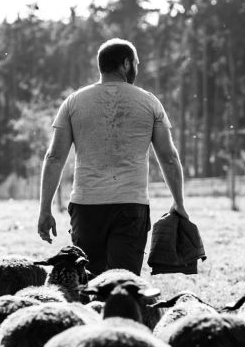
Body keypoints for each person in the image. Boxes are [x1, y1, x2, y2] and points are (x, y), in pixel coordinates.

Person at [37, 38, 188, 275]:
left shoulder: (73, 102)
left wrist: (45, 208)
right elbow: (169, 158)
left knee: (89, 283)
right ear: (126, 64)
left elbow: (54, 157)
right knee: (124, 285)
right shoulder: (149, 102)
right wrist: (179, 203)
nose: (137, 68)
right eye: (136, 63)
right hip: (131, 206)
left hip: (87, 207)